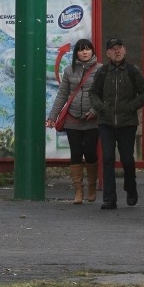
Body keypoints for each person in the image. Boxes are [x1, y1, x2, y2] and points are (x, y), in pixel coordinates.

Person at [88, 38, 144, 210]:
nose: (117, 51)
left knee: (127, 159)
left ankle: (131, 188)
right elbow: (93, 93)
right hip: (106, 123)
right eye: (113, 49)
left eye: (120, 48)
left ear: (125, 50)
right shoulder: (102, 72)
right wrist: (100, 107)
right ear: (107, 53)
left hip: (127, 123)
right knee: (107, 158)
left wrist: (131, 107)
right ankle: (109, 198)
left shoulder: (132, 71)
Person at [46, 38, 100, 204]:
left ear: (92, 51)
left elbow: (105, 94)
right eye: (81, 49)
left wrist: (95, 110)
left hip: (92, 119)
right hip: (72, 118)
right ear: (76, 52)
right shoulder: (69, 70)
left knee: (90, 153)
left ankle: (91, 186)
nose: (85, 52)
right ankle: (78, 190)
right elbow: (62, 94)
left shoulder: (101, 70)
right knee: (76, 153)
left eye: (88, 49)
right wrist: (52, 116)